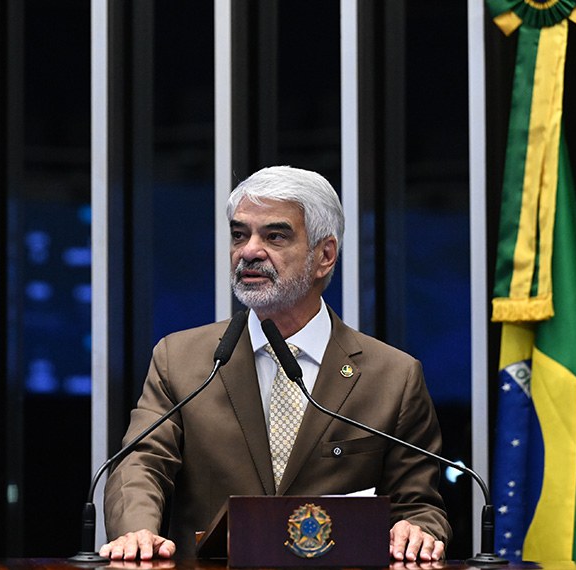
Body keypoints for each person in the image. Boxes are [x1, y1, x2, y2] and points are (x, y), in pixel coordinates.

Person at [101, 165, 451, 562]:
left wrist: (416, 530)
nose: (249, 250)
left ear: (325, 255)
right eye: (239, 234)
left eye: (275, 235)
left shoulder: (394, 378)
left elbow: (419, 505)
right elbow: (141, 465)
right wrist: (137, 531)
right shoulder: (180, 360)